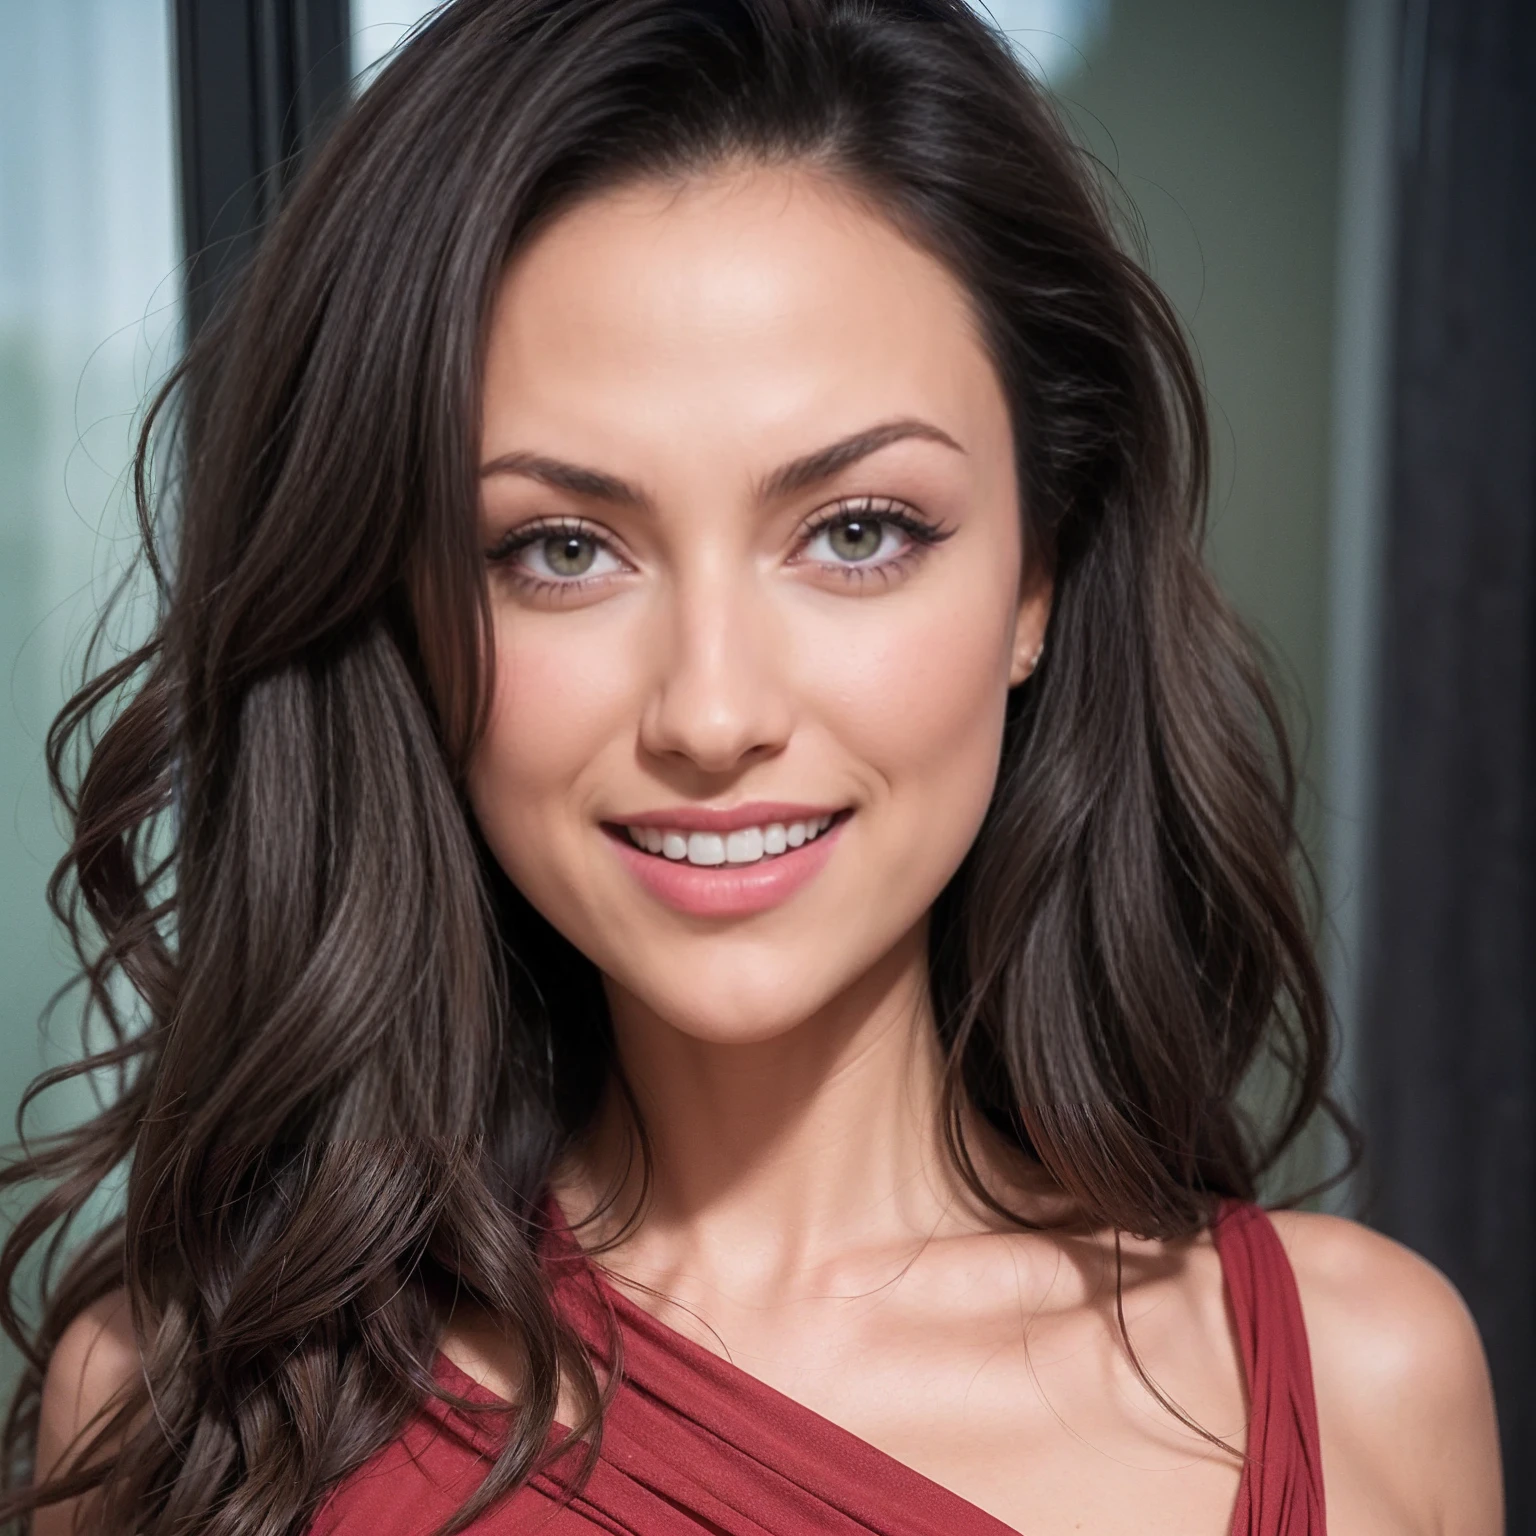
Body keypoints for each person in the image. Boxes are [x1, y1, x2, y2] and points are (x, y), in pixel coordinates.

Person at [1, 1, 1502, 1532]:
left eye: (859, 531)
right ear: (408, 615)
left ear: (1036, 579)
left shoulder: (1359, 1382)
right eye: (563, 549)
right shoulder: (186, 1410)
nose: (711, 716)